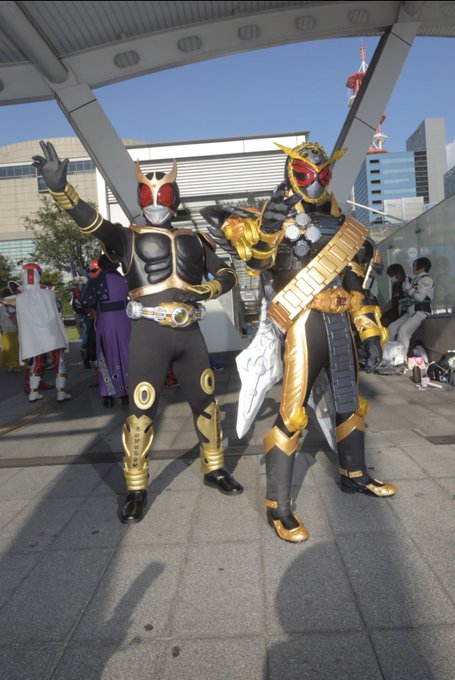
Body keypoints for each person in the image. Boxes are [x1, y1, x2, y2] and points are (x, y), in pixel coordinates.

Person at [33, 141, 243, 524]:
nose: (156, 200)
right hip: (149, 333)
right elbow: (91, 221)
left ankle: (214, 466)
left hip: (190, 333)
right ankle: (136, 487)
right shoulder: (127, 237)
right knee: (141, 411)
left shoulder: (195, 239)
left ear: (175, 197)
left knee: (207, 403)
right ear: (140, 197)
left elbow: (227, 273)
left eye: (163, 193)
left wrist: (208, 289)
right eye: (148, 193)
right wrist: (62, 191)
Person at [201, 140, 397, 543]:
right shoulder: (273, 218)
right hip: (302, 323)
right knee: (292, 412)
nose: (315, 182)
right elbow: (256, 261)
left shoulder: (348, 227)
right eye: (307, 174)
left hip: (341, 322)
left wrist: (370, 332)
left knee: (348, 400)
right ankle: (279, 505)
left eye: (322, 174)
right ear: (292, 173)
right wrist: (269, 227)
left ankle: (355, 474)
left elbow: (357, 287)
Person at [15, 263, 71, 402]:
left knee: (37, 362)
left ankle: (33, 393)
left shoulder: (20, 298)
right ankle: (61, 392)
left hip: (34, 336)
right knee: (59, 361)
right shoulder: (48, 294)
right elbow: (57, 308)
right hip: (52, 334)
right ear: (37, 275)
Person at [81, 253, 131, 407]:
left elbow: (85, 301)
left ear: (101, 266)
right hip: (124, 320)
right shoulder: (125, 280)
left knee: (106, 355)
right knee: (126, 354)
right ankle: (127, 393)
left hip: (105, 320)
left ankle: (109, 395)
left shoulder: (96, 281)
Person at [387, 257, 434, 363]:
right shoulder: (416, 280)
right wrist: (406, 292)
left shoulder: (426, 280)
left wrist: (409, 288)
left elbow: (420, 297)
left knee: (404, 331)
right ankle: (389, 354)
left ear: (422, 267)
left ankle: (401, 358)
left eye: (415, 265)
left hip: (421, 311)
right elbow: (411, 297)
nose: (413, 268)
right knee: (392, 328)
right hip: (411, 311)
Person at [380, 263, 410, 327]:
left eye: (391, 275)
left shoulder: (407, 283)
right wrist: (381, 312)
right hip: (395, 312)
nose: (391, 278)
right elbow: (392, 301)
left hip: (405, 313)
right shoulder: (395, 285)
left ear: (398, 274)